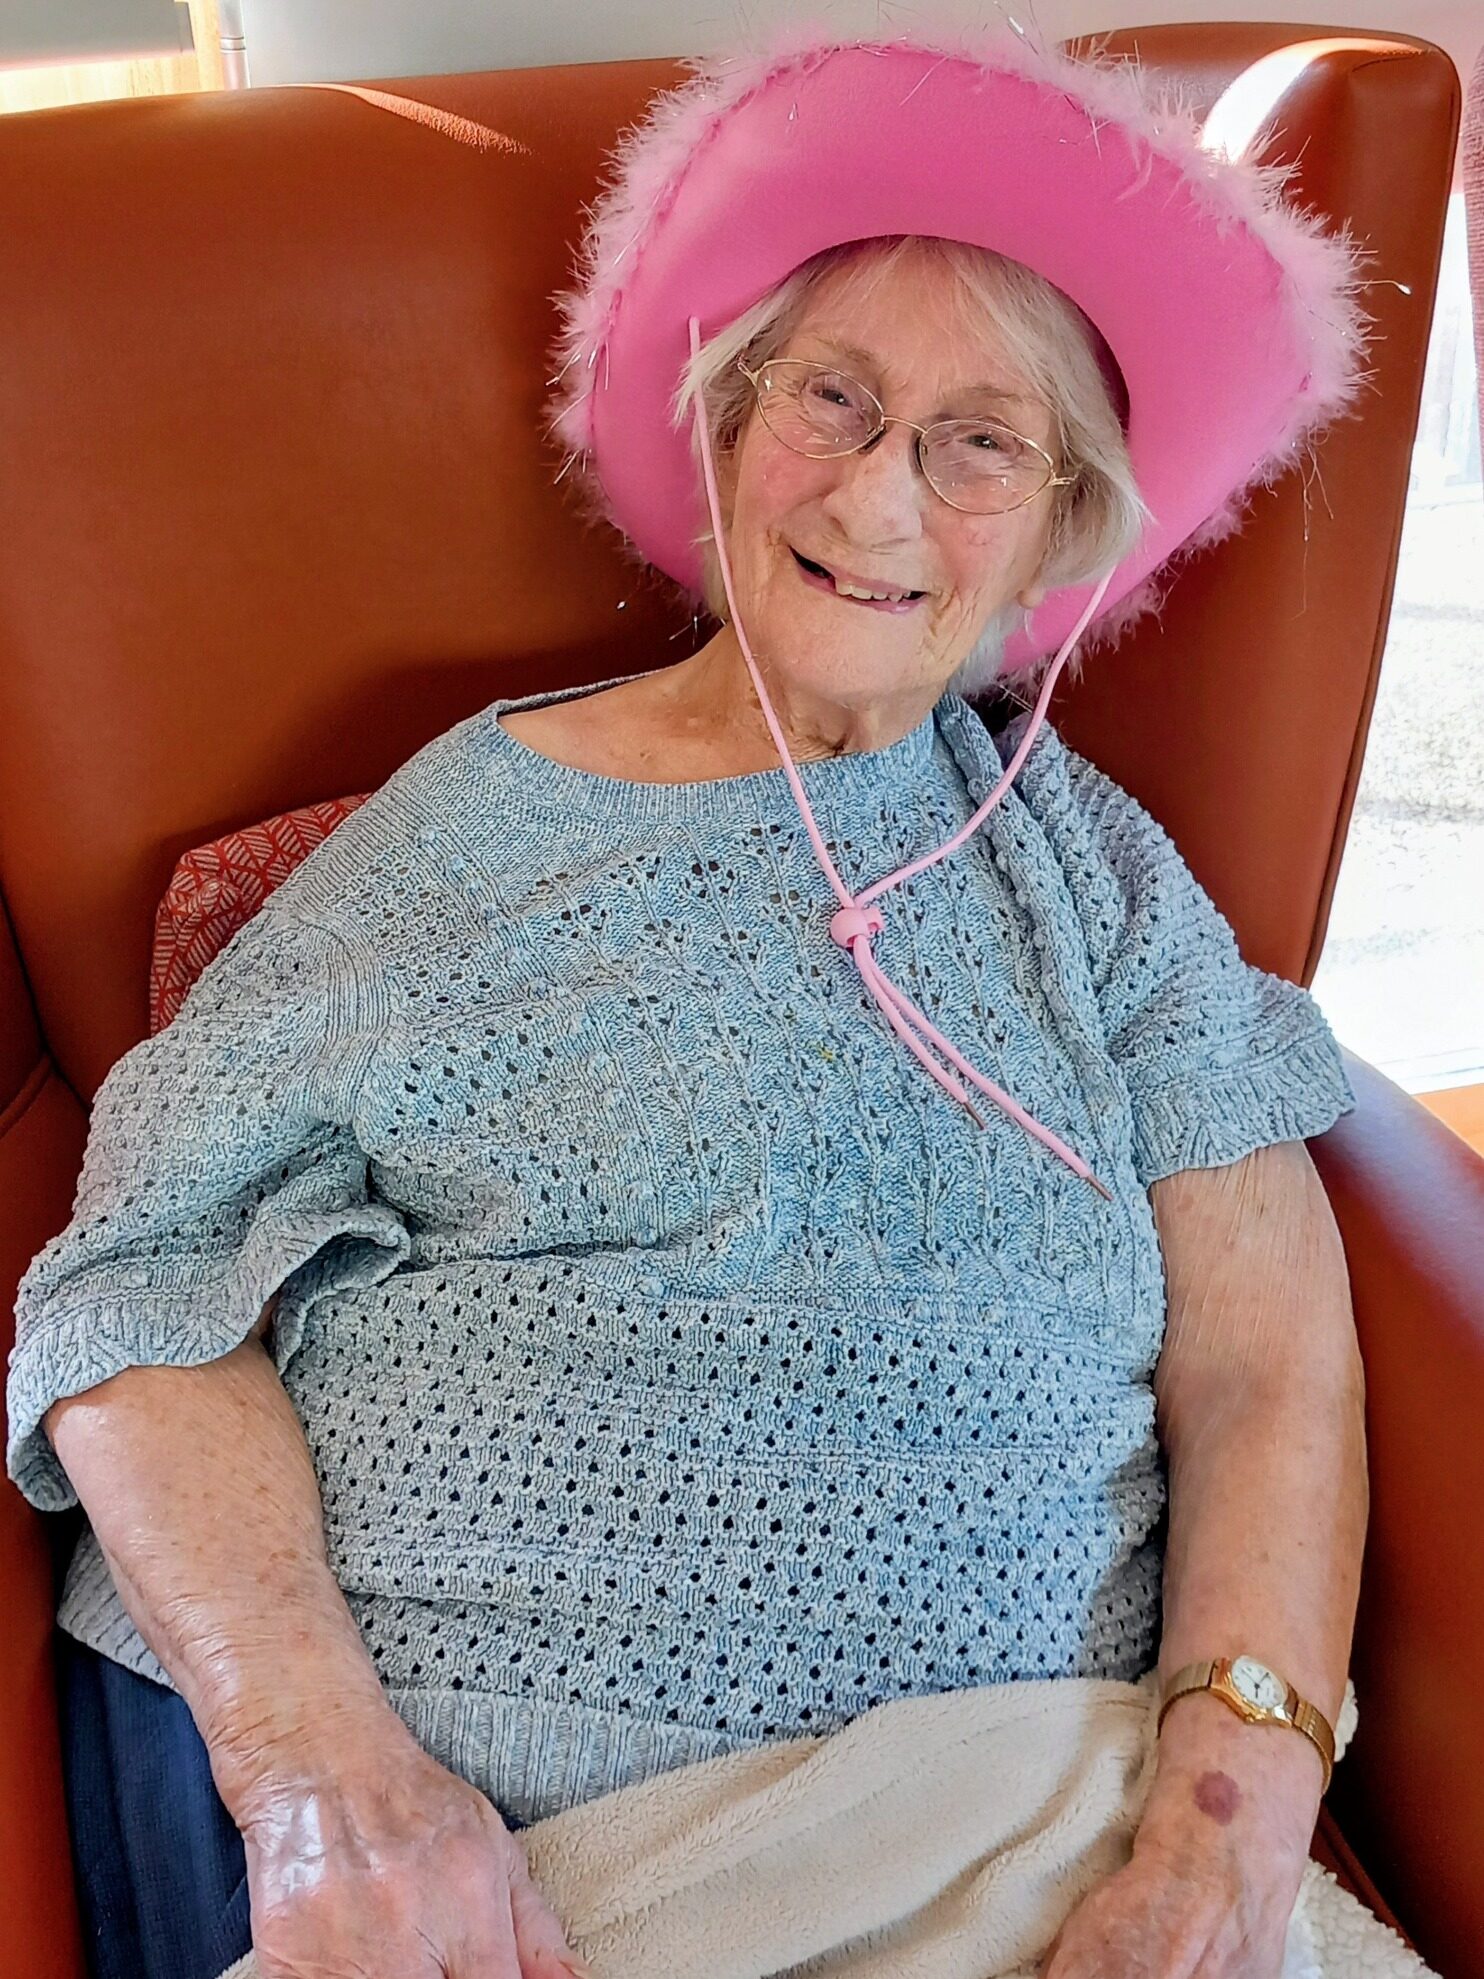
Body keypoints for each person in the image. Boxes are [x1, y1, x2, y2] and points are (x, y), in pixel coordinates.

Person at [6, 22, 1372, 1979]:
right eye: (833, 399)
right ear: (727, 424)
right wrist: (321, 1775)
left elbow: (1269, 1364)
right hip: (478, 1843)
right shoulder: (457, 840)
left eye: (981, 442)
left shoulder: (1092, 874)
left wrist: (1225, 1827)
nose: (879, 496)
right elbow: (136, 1299)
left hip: (1028, 1826)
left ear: (1065, 526)